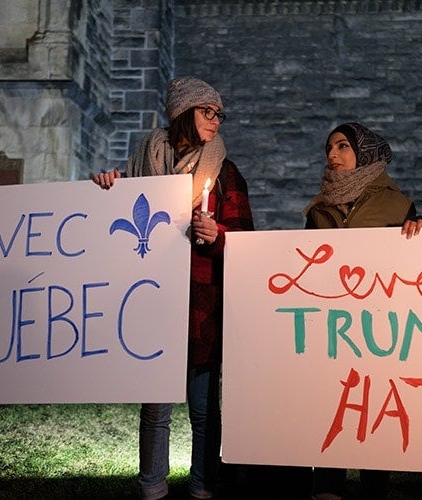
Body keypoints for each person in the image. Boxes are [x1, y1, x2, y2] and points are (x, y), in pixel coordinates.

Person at [93, 76, 254, 500]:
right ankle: (152, 487)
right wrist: (106, 188)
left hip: (201, 302)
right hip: (151, 300)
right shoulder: (143, 162)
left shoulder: (224, 173)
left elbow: (246, 240)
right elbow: (111, 224)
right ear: (184, 111)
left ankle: (203, 486)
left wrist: (217, 234)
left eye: (219, 114)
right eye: (207, 111)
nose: (216, 121)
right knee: (155, 408)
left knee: (203, 408)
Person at [303, 122, 422, 500]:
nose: (332, 155)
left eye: (342, 146)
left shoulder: (396, 204)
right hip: (331, 329)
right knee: (332, 405)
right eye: (329, 148)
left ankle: (374, 486)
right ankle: (326, 485)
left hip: (377, 331)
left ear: (366, 154)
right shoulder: (319, 210)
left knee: (373, 407)